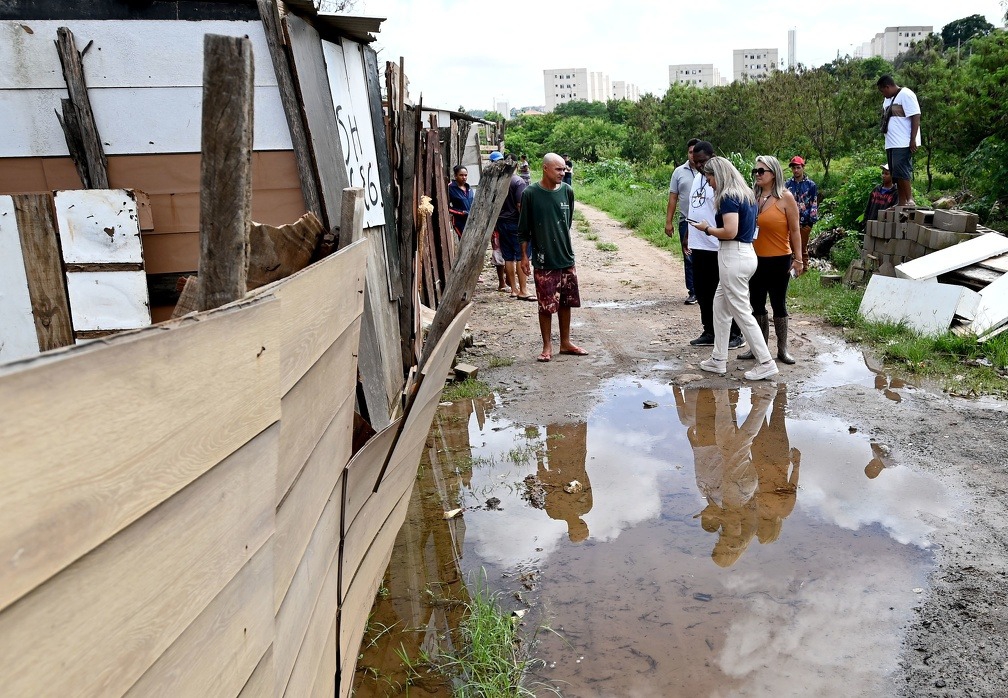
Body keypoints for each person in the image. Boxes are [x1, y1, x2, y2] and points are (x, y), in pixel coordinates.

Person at [694, 156, 779, 381]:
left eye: (710, 178)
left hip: (733, 255)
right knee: (720, 307)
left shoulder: (728, 197)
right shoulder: (746, 194)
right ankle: (718, 358)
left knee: (741, 311)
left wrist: (707, 229)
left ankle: (766, 361)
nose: (710, 184)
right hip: (745, 254)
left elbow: (730, 231)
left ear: (718, 175)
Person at [519, 153, 588, 362]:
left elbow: (567, 222)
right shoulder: (530, 193)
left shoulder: (567, 191)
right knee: (546, 305)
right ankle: (547, 346)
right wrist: (524, 256)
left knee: (566, 302)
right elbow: (523, 229)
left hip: (566, 257)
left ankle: (565, 342)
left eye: (564, 169)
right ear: (545, 168)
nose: (563, 173)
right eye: (558, 169)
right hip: (544, 260)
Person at [739, 155, 803, 365]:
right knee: (756, 304)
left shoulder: (786, 198)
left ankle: (782, 350)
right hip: (754, 259)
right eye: (755, 171)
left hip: (779, 259)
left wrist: (799, 259)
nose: (757, 175)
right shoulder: (751, 197)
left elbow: (795, 231)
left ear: (773, 174)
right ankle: (759, 348)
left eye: (761, 171)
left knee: (778, 304)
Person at [685, 141, 745, 349]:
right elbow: (696, 208)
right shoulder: (698, 178)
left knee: (724, 292)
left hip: (717, 244)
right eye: (696, 162)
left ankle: (735, 333)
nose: (699, 165)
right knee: (703, 291)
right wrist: (688, 235)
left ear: (713, 157)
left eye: (702, 161)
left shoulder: (723, 181)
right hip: (699, 243)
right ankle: (709, 330)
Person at [490, 151, 533, 300]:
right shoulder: (517, 182)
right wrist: (527, 224)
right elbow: (520, 205)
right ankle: (523, 289)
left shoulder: (496, 181)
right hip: (516, 223)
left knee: (508, 257)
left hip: (501, 223)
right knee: (521, 256)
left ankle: (514, 289)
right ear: (515, 165)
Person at [877, 74, 921, 207]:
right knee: (895, 173)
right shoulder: (887, 100)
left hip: (903, 141)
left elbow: (915, 116)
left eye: (883, 91)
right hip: (891, 142)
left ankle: (910, 199)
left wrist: (912, 139)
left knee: (902, 170)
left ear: (888, 87)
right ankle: (901, 202)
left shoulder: (906, 94)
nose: (883, 94)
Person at [665, 138, 699, 305]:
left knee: (706, 257)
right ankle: (693, 291)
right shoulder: (679, 172)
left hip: (707, 222)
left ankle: (706, 289)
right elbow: (673, 198)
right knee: (689, 257)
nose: (693, 155)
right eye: (690, 152)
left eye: (695, 152)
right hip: (686, 220)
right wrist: (668, 222)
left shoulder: (709, 170)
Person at [784, 156, 818, 265]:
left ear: (803, 167)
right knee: (789, 247)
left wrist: (811, 222)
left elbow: (814, 203)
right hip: (790, 221)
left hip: (805, 221)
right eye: (794, 168)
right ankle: (790, 269)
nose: (796, 170)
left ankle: (804, 269)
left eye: (798, 167)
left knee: (802, 247)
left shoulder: (811, 185)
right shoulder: (787, 184)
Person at [862, 163, 897, 230]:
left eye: (886, 174)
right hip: (871, 226)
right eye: (883, 173)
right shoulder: (876, 190)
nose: (883, 176)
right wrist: (865, 224)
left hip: (884, 229)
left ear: (893, 176)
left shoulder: (895, 193)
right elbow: (868, 208)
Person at [447, 165, 473, 238]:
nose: (464, 177)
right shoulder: (450, 188)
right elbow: (446, 207)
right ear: (455, 176)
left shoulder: (469, 188)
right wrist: (461, 212)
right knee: (464, 240)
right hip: (459, 222)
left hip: (471, 221)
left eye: (465, 175)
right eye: (461, 175)